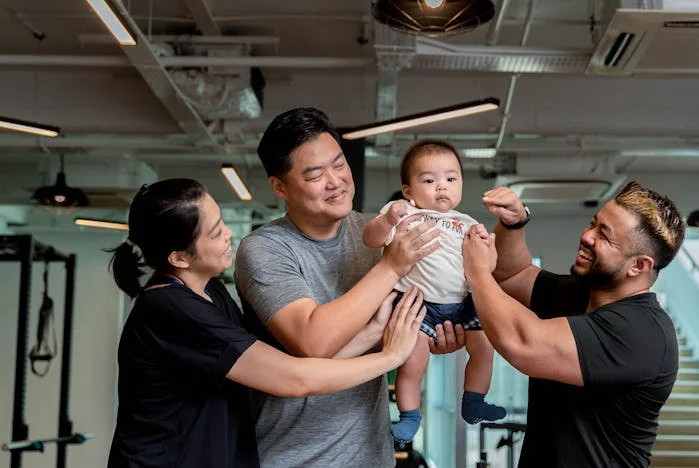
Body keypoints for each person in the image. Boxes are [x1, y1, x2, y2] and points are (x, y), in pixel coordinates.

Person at [106, 178, 427, 468]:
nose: (229, 233)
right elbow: (295, 379)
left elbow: (285, 369)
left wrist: (374, 332)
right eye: (216, 232)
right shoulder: (172, 309)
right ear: (179, 257)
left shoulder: (210, 292)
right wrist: (390, 357)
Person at [234, 108, 465, 467]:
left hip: (371, 456)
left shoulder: (377, 231)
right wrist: (391, 267)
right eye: (315, 174)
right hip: (293, 457)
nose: (335, 181)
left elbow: (404, 319)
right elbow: (313, 341)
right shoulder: (264, 249)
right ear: (280, 186)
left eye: (339, 164)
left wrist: (432, 332)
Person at [462, 181, 686, 467]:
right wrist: (514, 224)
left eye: (604, 236)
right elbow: (510, 274)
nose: (587, 237)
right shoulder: (579, 293)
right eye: (593, 224)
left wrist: (477, 274)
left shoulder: (643, 332)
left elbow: (523, 345)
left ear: (639, 266)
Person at [363, 140, 506, 443]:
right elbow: (371, 239)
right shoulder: (402, 214)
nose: (442, 187)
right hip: (418, 304)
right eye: (429, 180)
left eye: (451, 179)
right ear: (409, 191)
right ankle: (410, 415)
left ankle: (473, 400)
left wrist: (489, 248)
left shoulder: (467, 223)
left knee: (485, 348)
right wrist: (387, 220)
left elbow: (486, 268)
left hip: (464, 303)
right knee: (412, 361)